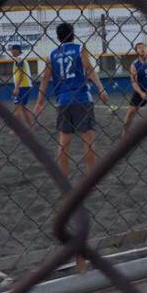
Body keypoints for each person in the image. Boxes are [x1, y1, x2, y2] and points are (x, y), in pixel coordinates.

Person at [34, 22, 108, 177]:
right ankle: (90, 176)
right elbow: (89, 70)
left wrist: (39, 102)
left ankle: (64, 177)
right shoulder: (80, 49)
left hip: (63, 100)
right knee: (88, 140)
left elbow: (45, 79)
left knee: (63, 142)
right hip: (82, 98)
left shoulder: (52, 55)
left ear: (58, 37)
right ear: (73, 34)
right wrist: (101, 88)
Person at [9, 44, 34, 128]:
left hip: (23, 86)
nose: (11, 52)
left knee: (17, 107)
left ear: (16, 50)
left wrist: (16, 88)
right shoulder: (20, 59)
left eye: (12, 50)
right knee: (22, 107)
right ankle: (31, 126)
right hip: (25, 85)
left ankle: (16, 128)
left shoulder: (19, 59)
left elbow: (21, 74)